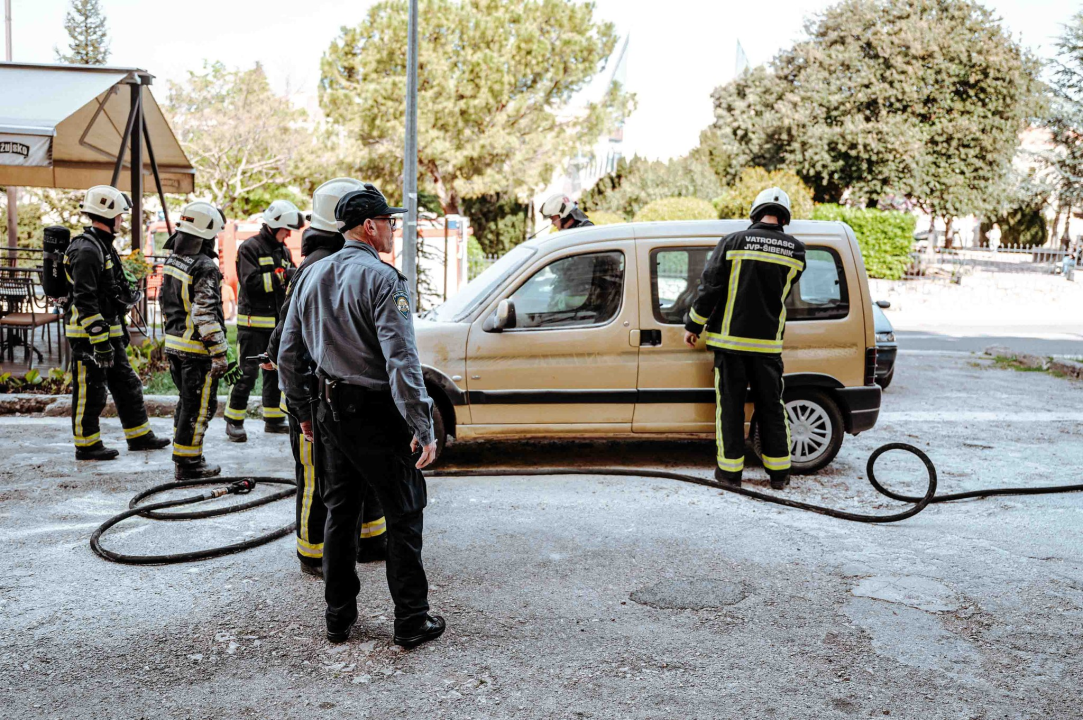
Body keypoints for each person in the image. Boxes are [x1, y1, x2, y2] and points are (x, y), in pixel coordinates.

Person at [279, 184, 444, 647]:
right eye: (389, 222)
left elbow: (291, 353)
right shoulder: (384, 279)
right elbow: (402, 361)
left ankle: (338, 619)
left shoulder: (311, 275)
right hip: (376, 414)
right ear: (370, 227)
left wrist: (303, 412)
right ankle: (411, 620)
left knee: (340, 513)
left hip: (331, 412)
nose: (393, 229)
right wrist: (421, 424)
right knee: (405, 512)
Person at [266, 178, 389, 576]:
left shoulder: (339, 262)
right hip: (315, 398)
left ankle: (369, 540)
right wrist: (301, 405)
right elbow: (288, 342)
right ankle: (314, 552)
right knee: (317, 477)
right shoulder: (318, 267)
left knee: (357, 475)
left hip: (341, 399)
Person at [683, 187, 806, 491]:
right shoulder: (796, 251)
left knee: (731, 408)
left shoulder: (733, 241)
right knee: (772, 408)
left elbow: (709, 288)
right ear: (785, 216)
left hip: (730, 343)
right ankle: (779, 475)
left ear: (754, 210)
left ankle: (730, 474)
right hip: (767, 346)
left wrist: (694, 324)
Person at [63, 185, 171, 460]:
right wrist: (99, 342)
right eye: (120, 215)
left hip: (108, 333)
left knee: (126, 383)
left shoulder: (102, 245)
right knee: (91, 391)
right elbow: (85, 300)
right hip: (88, 337)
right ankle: (86, 445)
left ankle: (139, 437)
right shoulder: (87, 250)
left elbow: (109, 289)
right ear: (108, 214)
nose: (122, 220)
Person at [160, 201, 239, 480]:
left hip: (175, 345)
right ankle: (189, 463)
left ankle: (185, 453)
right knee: (200, 406)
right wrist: (219, 352)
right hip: (197, 351)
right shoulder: (204, 267)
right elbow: (205, 314)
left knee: (186, 403)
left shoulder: (172, 261)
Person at [224, 200, 302, 442]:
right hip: (252, 326)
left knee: (274, 372)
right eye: (286, 229)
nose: (289, 234)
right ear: (274, 225)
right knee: (246, 374)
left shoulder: (283, 251)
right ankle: (233, 420)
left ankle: (273, 419)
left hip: (276, 326)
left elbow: (293, 276)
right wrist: (282, 277)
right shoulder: (250, 248)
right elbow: (251, 284)